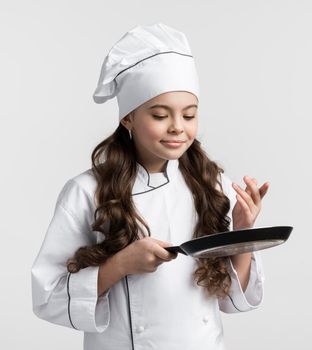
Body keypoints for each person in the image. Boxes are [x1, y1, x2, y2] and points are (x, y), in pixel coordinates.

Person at [31, 23, 269, 350]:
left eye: (189, 115)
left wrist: (243, 233)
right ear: (128, 117)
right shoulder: (87, 192)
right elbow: (47, 296)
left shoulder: (212, 184)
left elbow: (231, 298)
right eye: (160, 115)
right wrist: (121, 264)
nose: (177, 128)